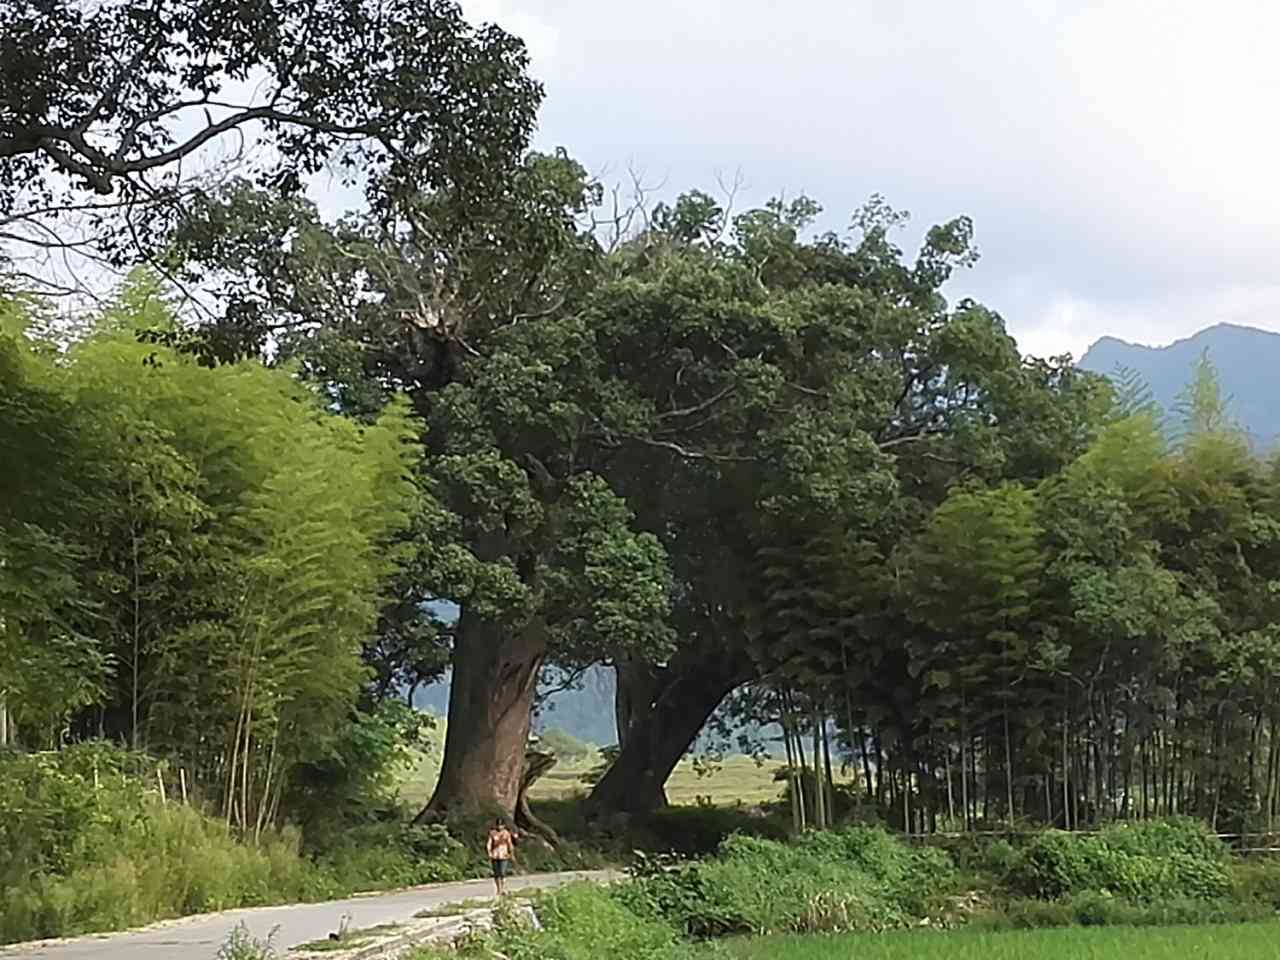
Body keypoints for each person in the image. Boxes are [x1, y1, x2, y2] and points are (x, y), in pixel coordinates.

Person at [487, 817, 517, 896]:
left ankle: (502, 888)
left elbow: (509, 844)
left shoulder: (506, 833)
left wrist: (511, 853)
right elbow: (489, 843)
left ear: (504, 826)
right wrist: (489, 852)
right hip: (495, 855)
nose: (499, 827)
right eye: (498, 825)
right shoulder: (492, 833)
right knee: (496, 873)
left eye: (501, 825)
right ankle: (498, 889)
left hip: (504, 855)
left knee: (502, 872)